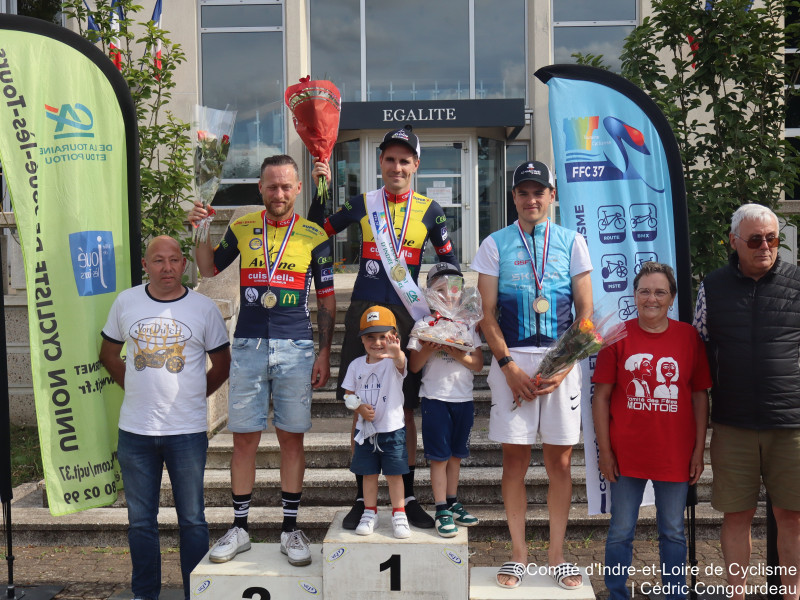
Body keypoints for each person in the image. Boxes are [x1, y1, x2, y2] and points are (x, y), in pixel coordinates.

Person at [188, 154, 335, 566]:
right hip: (248, 346)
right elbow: (208, 267)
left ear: (299, 188)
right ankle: (239, 528)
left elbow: (326, 299)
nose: (279, 193)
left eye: (286, 186)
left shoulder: (314, 235)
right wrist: (200, 228)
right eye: (272, 186)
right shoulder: (242, 226)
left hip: (295, 347)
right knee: (244, 440)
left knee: (291, 438)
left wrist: (324, 352)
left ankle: (290, 529)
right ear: (260, 188)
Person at [310, 125, 458, 530]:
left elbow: (449, 266)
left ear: (416, 165)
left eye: (404, 160)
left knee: (403, 408)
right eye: (390, 159)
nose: (397, 167)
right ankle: (363, 498)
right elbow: (317, 230)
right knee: (358, 404)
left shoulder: (431, 210)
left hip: (406, 316)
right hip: (363, 313)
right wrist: (321, 189)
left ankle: (405, 498)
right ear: (380, 162)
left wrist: (447, 312)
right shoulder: (364, 203)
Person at [472, 160, 592, 589]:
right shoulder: (494, 243)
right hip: (513, 360)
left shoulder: (572, 242)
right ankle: (519, 554)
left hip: (561, 359)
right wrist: (507, 367)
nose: (531, 199)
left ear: (551, 196)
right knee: (515, 460)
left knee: (560, 462)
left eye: (538, 191)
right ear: (514, 197)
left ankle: (557, 555)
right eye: (523, 192)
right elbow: (485, 313)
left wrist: (565, 365)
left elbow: (586, 311)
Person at [99, 236, 231, 600]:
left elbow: (222, 365)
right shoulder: (126, 302)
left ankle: (196, 593)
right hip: (135, 432)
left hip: (186, 432)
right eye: (158, 260)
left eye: (174, 260)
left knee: (193, 520)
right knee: (141, 522)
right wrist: (133, 386)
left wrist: (194, 395)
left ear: (184, 264)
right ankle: (145, 594)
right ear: (145, 265)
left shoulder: (203, 308)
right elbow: (108, 354)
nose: (167, 267)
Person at [693, 203, 800, 600]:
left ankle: (792, 595)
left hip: (791, 424)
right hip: (733, 423)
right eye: (755, 240)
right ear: (734, 241)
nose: (765, 247)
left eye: (772, 238)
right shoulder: (712, 287)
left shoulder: (798, 283)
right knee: (736, 516)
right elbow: (698, 350)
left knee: (792, 517)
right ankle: (736, 595)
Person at [592, 262, 710, 600]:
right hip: (626, 455)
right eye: (644, 291)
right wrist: (605, 452)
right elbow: (601, 398)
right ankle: (616, 593)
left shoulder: (688, 337)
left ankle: (675, 593)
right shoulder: (616, 335)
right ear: (635, 295)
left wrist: (699, 450)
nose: (651, 298)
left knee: (672, 531)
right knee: (621, 530)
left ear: (672, 298)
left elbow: (699, 396)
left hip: (674, 454)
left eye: (660, 292)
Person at [408, 263, 483, 538]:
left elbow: (477, 364)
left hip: (463, 398)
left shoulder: (468, 324)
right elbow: (414, 366)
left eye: (454, 289)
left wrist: (454, 350)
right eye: (440, 290)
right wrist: (429, 347)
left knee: (456, 455)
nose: (448, 295)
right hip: (435, 399)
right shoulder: (424, 324)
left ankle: (452, 502)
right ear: (429, 294)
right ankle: (441, 507)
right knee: (439, 457)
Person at [342, 306, 411, 539]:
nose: (377, 342)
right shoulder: (356, 365)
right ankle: (369, 512)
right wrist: (359, 407)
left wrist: (397, 352)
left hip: (392, 431)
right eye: (371, 337)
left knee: (395, 475)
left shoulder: (393, 361)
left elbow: (401, 363)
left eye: (383, 336)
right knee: (368, 475)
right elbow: (348, 395)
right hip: (366, 431)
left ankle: (399, 514)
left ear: (394, 337)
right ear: (362, 339)